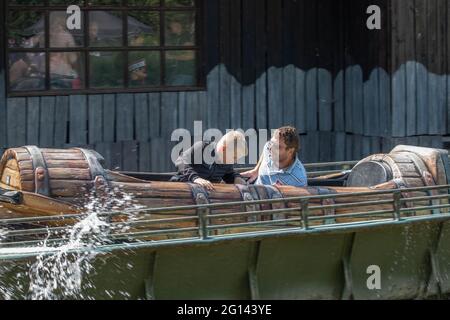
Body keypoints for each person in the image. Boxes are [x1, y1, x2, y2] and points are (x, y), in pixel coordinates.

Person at [170, 131, 248, 190]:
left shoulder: (226, 162)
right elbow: (181, 160)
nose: (235, 161)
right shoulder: (202, 147)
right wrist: (195, 178)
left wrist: (236, 178)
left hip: (204, 194)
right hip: (182, 187)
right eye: (234, 157)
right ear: (223, 149)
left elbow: (229, 174)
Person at [241, 126, 307, 187]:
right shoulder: (268, 147)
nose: (270, 148)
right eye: (271, 143)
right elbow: (266, 147)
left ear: (290, 151)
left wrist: (278, 192)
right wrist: (256, 170)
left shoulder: (298, 179)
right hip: (253, 193)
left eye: (277, 146)